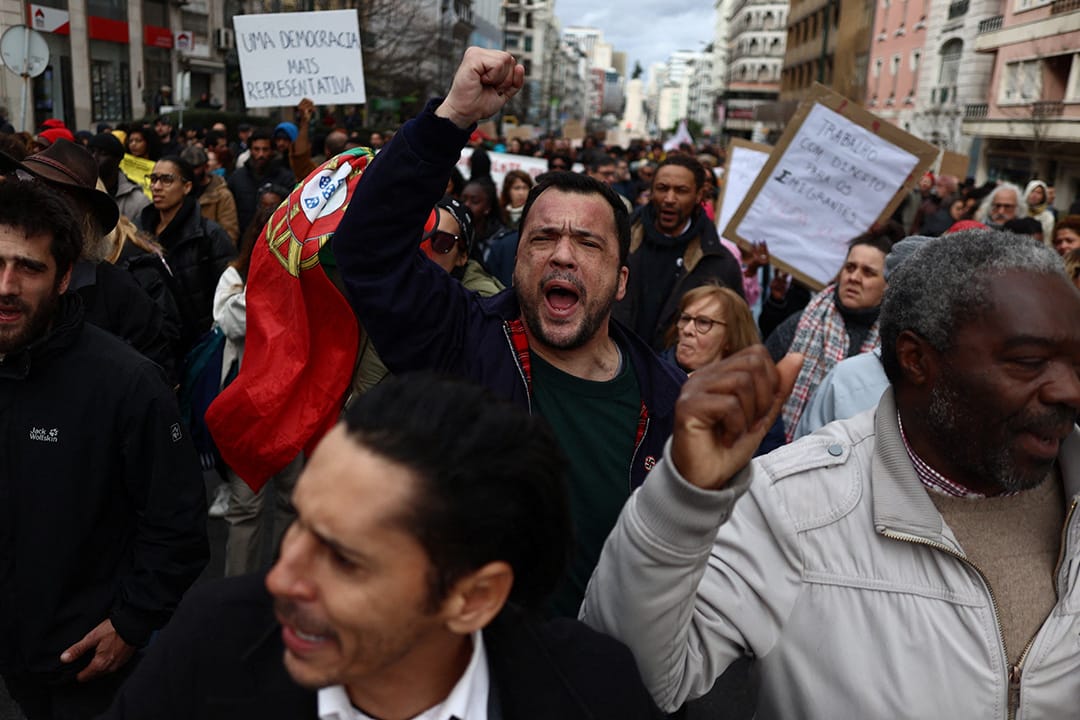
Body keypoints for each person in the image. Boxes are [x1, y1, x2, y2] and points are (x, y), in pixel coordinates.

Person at [581, 228, 1080, 719]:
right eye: (1029, 362)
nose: (1067, 391)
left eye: (1075, 362)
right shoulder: (791, 507)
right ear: (917, 360)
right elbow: (629, 673)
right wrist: (682, 500)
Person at [331, 47, 683, 617]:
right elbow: (367, 248)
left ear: (620, 282)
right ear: (515, 262)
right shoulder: (461, 341)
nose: (562, 254)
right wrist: (451, 117)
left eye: (588, 243)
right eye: (542, 239)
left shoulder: (670, 406)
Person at [99, 374, 659, 719]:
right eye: (300, 524)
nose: (280, 580)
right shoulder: (212, 642)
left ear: (472, 597)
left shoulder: (594, 693)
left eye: (343, 559)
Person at [0, 179, 208, 719]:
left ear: (65, 277)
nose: (6, 284)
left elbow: (179, 526)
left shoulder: (127, 383)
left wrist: (132, 624)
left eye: (29, 267)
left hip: (90, 666)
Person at [765, 224, 900, 441]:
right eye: (850, 267)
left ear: (888, 285)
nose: (854, 277)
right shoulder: (802, 322)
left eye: (868, 272)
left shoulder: (893, 344)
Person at [614, 154, 745, 351]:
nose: (669, 199)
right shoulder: (616, 244)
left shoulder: (720, 264)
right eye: (662, 188)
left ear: (700, 195)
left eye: (681, 191)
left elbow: (736, 338)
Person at [136, 155, 236, 348]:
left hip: (199, 341)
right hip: (156, 343)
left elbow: (229, 292)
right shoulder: (139, 232)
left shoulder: (208, 235)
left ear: (187, 187)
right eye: (153, 179)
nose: (156, 187)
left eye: (166, 180)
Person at [663, 283, 758, 373]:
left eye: (703, 322)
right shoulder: (652, 375)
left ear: (731, 338)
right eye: (685, 319)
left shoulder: (748, 386)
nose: (687, 330)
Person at [228, 129, 296, 235]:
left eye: (265, 149)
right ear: (250, 150)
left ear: (272, 151)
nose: (261, 154)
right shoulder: (237, 178)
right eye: (256, 149)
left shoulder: (286, 178)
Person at [180, 144, 239, 244]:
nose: (189, 173)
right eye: (185, 168)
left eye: (194, 168)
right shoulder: (177, 191)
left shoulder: (222, 195)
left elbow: (229, 235)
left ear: (206, 167)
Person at [88, 133, 150, 221]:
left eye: (103, 153)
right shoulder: (79, 193)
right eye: (91, 151)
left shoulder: (138, 201)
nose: (94, 157)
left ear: (118, 160)